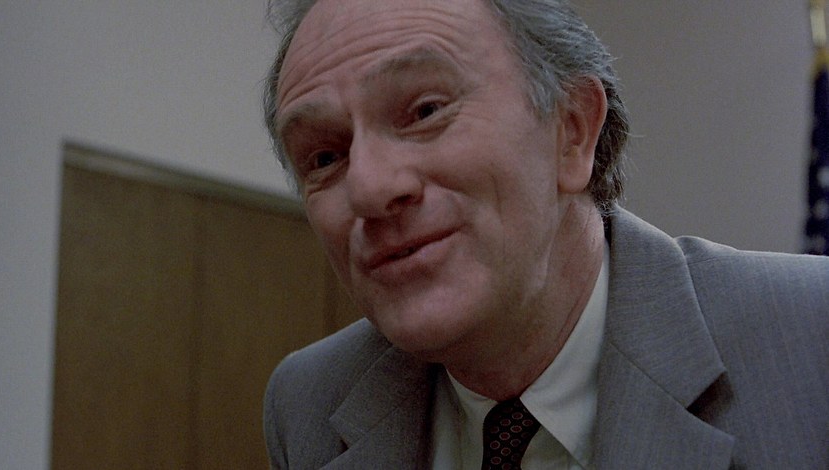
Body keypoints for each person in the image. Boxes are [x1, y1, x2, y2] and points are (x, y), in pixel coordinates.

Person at [261, 0, 829, 468]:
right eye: (325, 157)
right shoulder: (308, 401)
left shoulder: (810, 337)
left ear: (572, 132)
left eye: (425, 110)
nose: (368, 188)